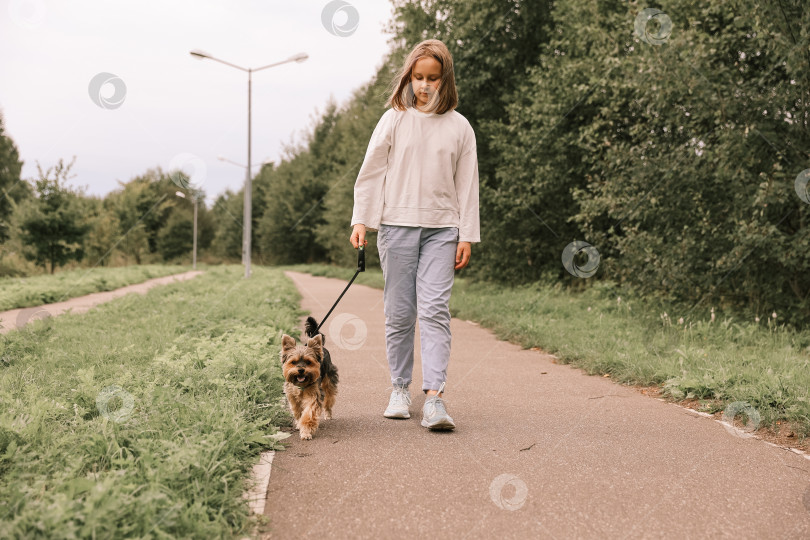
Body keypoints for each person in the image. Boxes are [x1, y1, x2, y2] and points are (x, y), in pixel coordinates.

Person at [349, 39, 480, 431]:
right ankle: (399, 389)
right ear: (409, 77)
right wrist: (361, 220)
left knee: (436, 310)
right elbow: (371, 172)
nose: (424, 86)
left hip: (443, 229)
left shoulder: (460, 127)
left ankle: (435, 399)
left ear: (446, 80)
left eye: (433, 78)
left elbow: (467, 185)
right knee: (400, 313)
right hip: (396, 226)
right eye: (418, 77)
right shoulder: (394, 118)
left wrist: (466, 235)